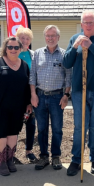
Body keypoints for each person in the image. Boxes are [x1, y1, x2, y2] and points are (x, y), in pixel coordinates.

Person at [63, 10, 94, 176]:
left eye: (92, 22)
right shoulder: (74, 38)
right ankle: (76, 159)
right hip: (79, 89)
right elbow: (66, 62)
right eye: (86, 22)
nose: (89, 25)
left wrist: (91, 46)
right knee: (79, 126)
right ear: (81, 24)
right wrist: (76, 46)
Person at [0, 37, 32, 176]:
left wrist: (28, 103)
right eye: (10, 47)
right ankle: (1, 162)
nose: (13, 50)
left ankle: (9, 160)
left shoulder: (24, 65)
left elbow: (27, 87)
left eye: (16, 47)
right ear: (5, 48)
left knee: (13, 132)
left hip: (17, 107)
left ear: (20, 49)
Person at [30, 25, 72, 171]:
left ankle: (56, 156)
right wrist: (33, 95)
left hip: (57, 97)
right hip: (40, 97)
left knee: (57, 128)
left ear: (58, 37)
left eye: (53, 35)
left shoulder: (64, 54)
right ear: (45, 37)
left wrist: (66, 95)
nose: (50, 38)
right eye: (48, 35)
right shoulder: (37, 53)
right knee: (41, 129)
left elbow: (68, 77)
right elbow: (32, 76)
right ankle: (43, 156)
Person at [15, 26, 37, 162]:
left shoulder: (33, 55)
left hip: (30, 95)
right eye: (22, 37)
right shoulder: (12, 53)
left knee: (31, 124)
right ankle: (11, 153)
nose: (24, 40)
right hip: (15, 96)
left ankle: (29, 150)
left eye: (27, 38)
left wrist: (31, 99)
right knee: (15, 125)